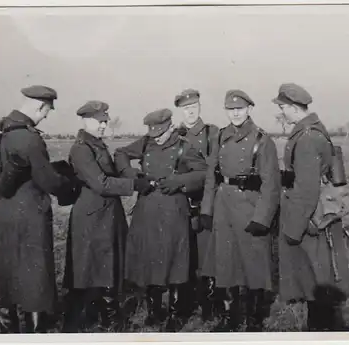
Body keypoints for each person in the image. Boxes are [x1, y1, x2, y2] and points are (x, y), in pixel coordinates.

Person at [0, 85, 74, 333]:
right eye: (47, 111)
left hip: (3, 209)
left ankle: (8, 330)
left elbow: (15, 166)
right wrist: (72, 184)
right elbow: (49, 181)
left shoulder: (0, 127)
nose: (46, 116)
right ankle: (36, 332)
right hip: (30, 213)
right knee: (35, 273)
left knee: (5, 270)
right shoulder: (30, 137)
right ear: (39, 106)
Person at [61, 101, 153, 332]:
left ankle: (107, 317)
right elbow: (100, 183)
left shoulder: (97, 145)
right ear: (85, 120)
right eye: (99, 121)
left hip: (106, 214)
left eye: (105, 121)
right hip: (93, 216)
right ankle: (95, 320)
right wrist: (134, 184)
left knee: (106, 265)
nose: (103, 126)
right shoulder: (82, 149)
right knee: (93, 267)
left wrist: (136, 175)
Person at [113, 108, 207, 332]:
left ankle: (175, 313)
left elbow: (204, 172)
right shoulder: (146, 143)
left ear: (170, 127)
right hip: (146, 208)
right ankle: (154, 311)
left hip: (173, 208)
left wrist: (180, 181)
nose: (157, 138)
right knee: (148, 257)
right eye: (153, 134)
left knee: (176, 259)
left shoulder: (185, 146)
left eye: (161, 133)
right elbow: (120, 153)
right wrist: (133, 176)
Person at [199, 89, 281, 332]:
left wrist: (262, 218)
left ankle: (254, 320)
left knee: (253, 262)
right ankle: (229, 317)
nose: (235, 113)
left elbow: (271, 184)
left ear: (249, 109)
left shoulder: (262, 140)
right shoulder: (220, 136)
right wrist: (207, 209)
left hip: (250, 205)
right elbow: (211, 176)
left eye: (239, 109)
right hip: (224, 205)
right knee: (225, 261)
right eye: (230, 109)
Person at [272, 83, 349, 331]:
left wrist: (293, 230)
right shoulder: (315, 131)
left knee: (316, 278)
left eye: (283, 107)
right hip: (318, 214)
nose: (282, 112)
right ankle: (323, 325)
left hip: (310, 219)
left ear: (294, 108)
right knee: (320, 276)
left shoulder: (306, 138)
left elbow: (307, 189)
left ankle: (321, 329)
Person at [174, 89, 219, 321]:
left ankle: (209, 304)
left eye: (193, 107)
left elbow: (213, 171)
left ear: (200, 107)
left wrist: (207, 208)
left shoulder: (212, 133)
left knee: (206, 257)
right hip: (181, 204)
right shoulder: (174, 135)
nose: (190, 112)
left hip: (204, 202)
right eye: (185, 108)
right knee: (183, 255)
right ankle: (184, 305)